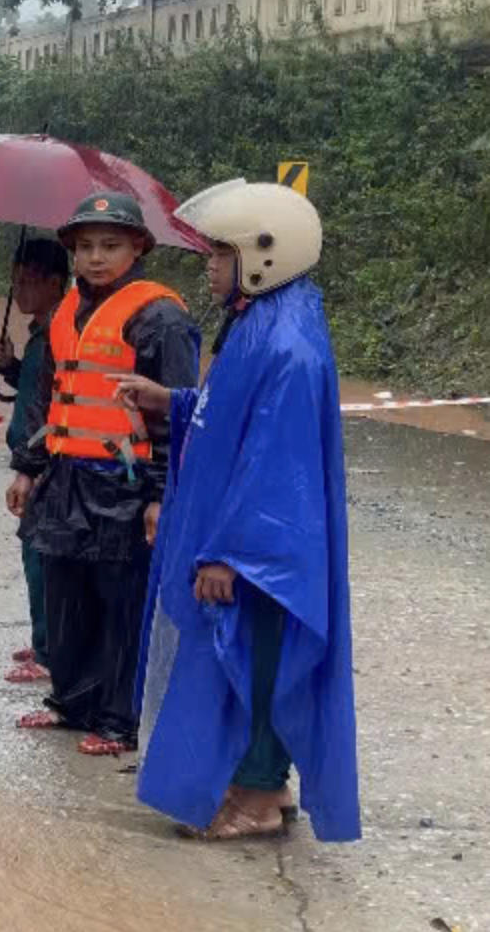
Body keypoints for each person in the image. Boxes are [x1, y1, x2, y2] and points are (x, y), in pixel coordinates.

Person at [117, 180, 360, 841]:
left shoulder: (285, 343)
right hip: (250, 539)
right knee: (245, 658)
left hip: (260, 550)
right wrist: (173, 401)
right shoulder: (266, 321)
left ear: (263, 255)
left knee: (256, 660)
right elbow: (233, 419)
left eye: (219, 255)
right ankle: (257, 784)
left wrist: (229, 552)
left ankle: (259, 793)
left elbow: (274, 463)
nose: (210, 267)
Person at [10, 192, 201, 755]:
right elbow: (50, 400)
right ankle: (72, 704)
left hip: (126, 482)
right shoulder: (66, 312)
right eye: (86, 246)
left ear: (138, 247)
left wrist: (161, 496)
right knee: (66, 601)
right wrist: (28, 467)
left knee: (123, 608)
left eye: (110, 245)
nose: (96, 258)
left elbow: (177, 414)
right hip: (67, 476)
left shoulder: (160, 317)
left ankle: (120, 720)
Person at [0, 238, 73, 685]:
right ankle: (43, 640)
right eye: (15, 281)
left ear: (55, 283)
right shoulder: (42, 332)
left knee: (43, 560)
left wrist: (34, 466)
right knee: (34, 557)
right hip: (32, 462)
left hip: (45, 466)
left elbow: (56, 404)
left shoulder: (62, 331)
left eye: (28, 282)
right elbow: (36, 389)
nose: (19, 290)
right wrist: (10, 366)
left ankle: (51, 651)